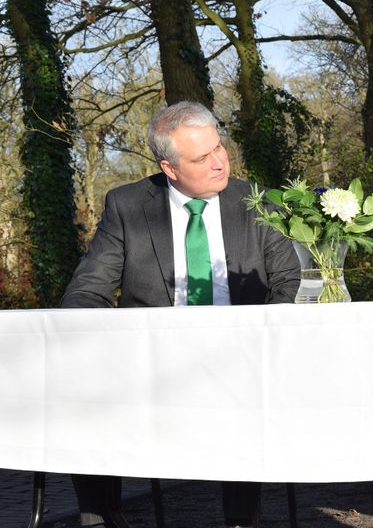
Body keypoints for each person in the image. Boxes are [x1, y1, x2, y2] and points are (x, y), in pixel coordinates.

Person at [61, 101, 301, 528]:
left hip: (240, 357)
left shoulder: (256, 202)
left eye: (219, 148)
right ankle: (103, 519)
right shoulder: (128, 206)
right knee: (85, 392)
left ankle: (242, 522)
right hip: (152, 364)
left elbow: (287, 280)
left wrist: (262, 336)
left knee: (244, 392)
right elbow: (88, 289)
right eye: (201, 158)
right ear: (169, 168)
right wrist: (93, 347)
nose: (218, 163)